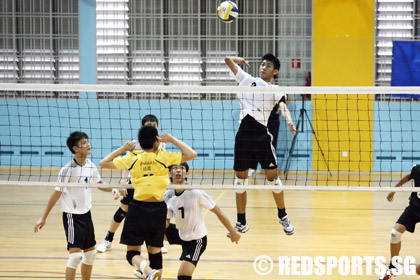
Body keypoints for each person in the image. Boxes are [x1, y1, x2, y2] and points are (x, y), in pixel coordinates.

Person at [99, 125, 197, 280]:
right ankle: (152, 272)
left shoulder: (132, 158)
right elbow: (192, 154)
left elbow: (103, 163)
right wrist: (171, 139)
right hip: (158, 209)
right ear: (156, 142)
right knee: (155, 252)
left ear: (140, 142)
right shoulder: (164, 156)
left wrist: (123, 148)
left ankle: (146, 270)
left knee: (132, 254)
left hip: (138, 208)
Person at [225, 54, 297, 237]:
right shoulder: (246, 79)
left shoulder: (275, 88)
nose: (263, 67)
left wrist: (289, 121)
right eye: (262, 64)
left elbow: (283, 106)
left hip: (261, 137)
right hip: (242, 137)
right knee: (240, 182)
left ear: (275, 71)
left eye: (268, 65)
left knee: (273, 180)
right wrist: (239, 60)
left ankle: (283, 216)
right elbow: (227, 60)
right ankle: (241, 222)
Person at [34, 131, 110, 280]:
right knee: (75, 256)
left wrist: (116, 189)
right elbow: (56, 194)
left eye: (88, 142)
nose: (88, 145)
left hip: (86, 215)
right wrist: (43, 218)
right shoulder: (67, 170)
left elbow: (99, 184)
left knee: (90, 254)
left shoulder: (90, 165)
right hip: (72, 216)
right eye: (84, 143)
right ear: (75, 149)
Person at [97, 114, 168, 254]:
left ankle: (155, 242)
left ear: (158, 127)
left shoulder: (161, 144)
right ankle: (108, 239)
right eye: (148, 125)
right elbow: (125, 163)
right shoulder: (134, 144)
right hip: (134, 182)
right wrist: (123, 182)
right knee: (123, 211)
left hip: (153, 184)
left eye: (153, 126)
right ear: (143, 127)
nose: (151, 128)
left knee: (153, 212)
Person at [161, 163, 240, 280]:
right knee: (150, 231)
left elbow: (218, 212)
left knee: (183, 276)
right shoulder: (168, 195)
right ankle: (153, 267)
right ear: (169, 173)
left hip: (196, 240)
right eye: (175, 168)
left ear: (187, 173)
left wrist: (232, 232)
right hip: (180, 234)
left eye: (182, 168)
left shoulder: (196, 192)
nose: (178, 171)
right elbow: (166, 223)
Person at [380, 164, 420, 280]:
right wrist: (394, 190)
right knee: (395, 233)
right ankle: (393, 267)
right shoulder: (417, 169)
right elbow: (407, 178)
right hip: (414, 208)